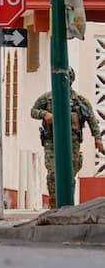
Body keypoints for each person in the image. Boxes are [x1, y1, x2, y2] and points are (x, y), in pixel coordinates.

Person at [31, 67, 103, 208]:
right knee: (53, 174)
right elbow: (33, 111)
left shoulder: (80, 100)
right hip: (52, 141)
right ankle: (54, 207)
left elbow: (92, 119)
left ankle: (68, 207)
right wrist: (45, 114)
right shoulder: (47, 98)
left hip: (73, 142)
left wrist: (97, 138)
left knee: (70, 175)